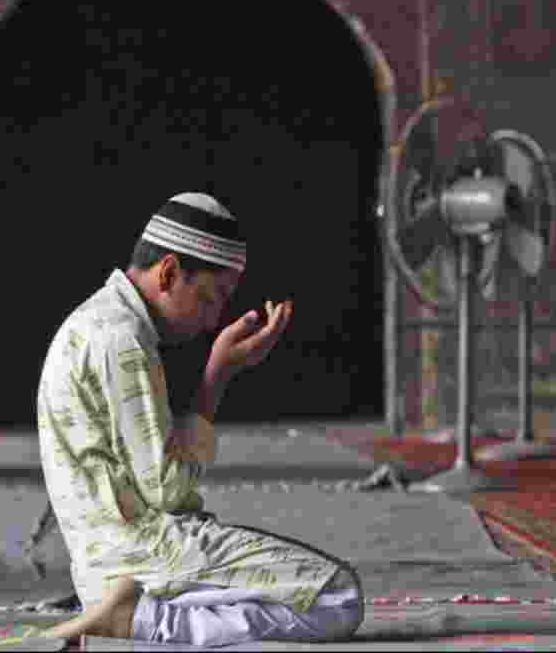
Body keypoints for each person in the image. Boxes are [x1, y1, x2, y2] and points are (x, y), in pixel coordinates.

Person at [39, 193, 364, 646]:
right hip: (136, 555)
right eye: (214, 297)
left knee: (308, 583)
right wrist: (218, 375)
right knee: (336, 595)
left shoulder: (100, 321)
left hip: (111, 554)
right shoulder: (122, 338)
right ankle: (141, 620)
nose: (215, 318)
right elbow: (168, 490)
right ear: (169, 272)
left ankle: (138, 612)